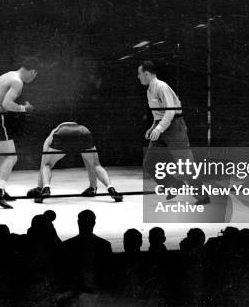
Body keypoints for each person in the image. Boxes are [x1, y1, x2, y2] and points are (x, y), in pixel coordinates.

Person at [137, 61, 209, 204]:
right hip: (161, 125)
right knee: (150, 163)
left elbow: (170, 112)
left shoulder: (161, 87)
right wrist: (153, 127)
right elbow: (159, 113)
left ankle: (203, 197)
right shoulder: (149, 90)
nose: (138, 77)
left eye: (139, 74)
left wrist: (158, 128)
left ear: (146, 73)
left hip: (175, 127)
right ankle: (174, 185)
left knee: (185, 165)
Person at [0, 57, 39, 207]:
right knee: (11, 157)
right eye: (35, 75)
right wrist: (24, 108)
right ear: (32, 72)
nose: (33, 79)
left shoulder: (5, 76)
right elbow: (6, 104)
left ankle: (0, 189)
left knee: (3, 156)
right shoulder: (18, 82)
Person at [26, 122, 123, 202]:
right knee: (95, 165)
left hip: (63, 134)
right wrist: (93, 187)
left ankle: (46, 188)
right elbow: (90, 165)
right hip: (83, 132)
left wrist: (39, 187)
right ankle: (110, 188)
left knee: (46, 164)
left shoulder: (50, 137)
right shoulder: (75, 127)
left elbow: (43, 164)